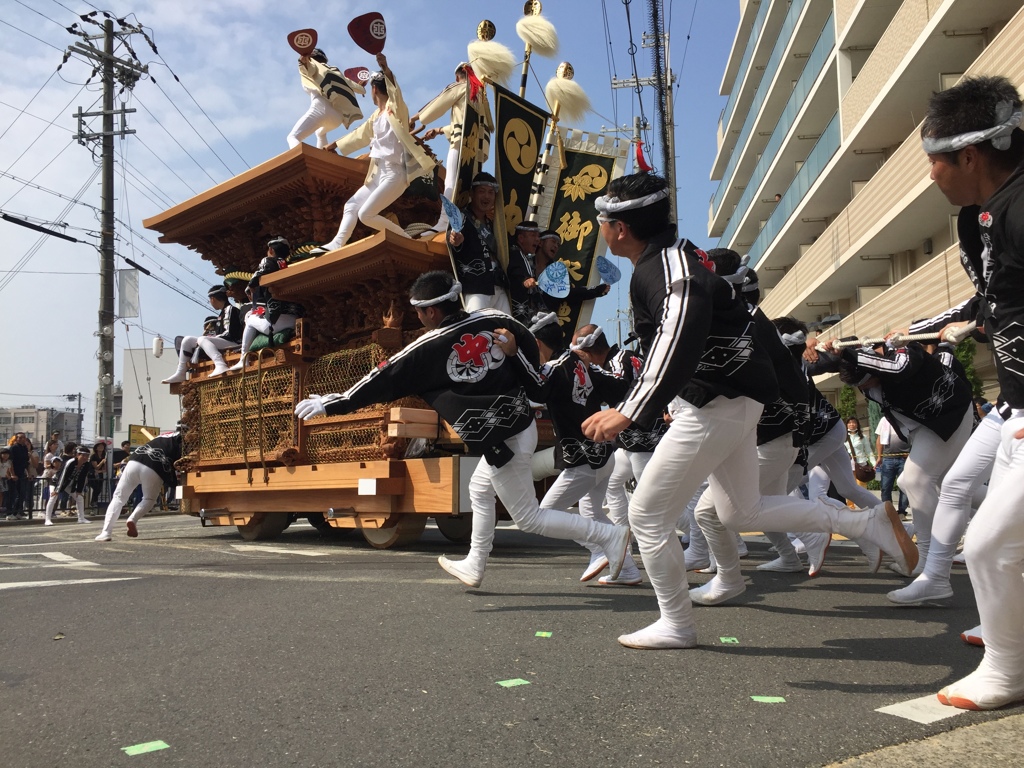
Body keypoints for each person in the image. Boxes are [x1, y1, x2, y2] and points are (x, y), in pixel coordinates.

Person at [580, 172, 916, 650]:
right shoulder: (676, 263)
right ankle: (863, 522)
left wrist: (632, 409)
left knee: (647, 514)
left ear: (619, 227)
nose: (600, 230)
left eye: (602, 221)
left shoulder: (669, 271)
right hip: (733, 405)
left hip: (716, 408)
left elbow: (677, 337)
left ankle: (676, 623)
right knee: (741, 509)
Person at [294, 270, 631, 588]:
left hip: (503, 439)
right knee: (479, 490)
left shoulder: (431, 345)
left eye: (419, 313)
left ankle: (608, 537)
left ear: (428, 312)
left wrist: (332, 402)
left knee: (530, 518)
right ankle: (475, 562)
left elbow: (384, 377)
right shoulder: (496, 319)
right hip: (520, 425)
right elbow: (527, 343)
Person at [911, 76, 1024, 711]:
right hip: (1014, 405)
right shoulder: (988, 212)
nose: (931, 174)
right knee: (992, 533)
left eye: (934, 158)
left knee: (987, 544)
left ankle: (1009, 668)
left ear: (970, 156)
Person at [494, 315, 640, 585]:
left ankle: (600, 548)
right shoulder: (586, 364)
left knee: (546, 514)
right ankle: (628, 569)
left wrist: (514, 356)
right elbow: (620, 388)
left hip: (582, 460)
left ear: (537, 343)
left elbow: (536, 390)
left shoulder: (553, 368)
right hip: (604, 455)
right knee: (592, 512)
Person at [311, 54, 435, 254]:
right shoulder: (376, 116)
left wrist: (386, 68)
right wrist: (334, 145)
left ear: (374, 89)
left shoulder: (396, 111)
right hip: (378, 174)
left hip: (395, 174)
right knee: (351, 206)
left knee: (366, 214)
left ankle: (406, 240)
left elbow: (396, 94)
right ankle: (336, 244)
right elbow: (360, 134)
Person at [410, 61, 493, 235]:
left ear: (458, 76)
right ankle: (463, 221)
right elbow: (473, 125)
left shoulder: (461, 87)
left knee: (451, 182)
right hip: (477, 150)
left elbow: (438, 103)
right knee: (467, 186)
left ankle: (444, 222)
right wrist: (440, 131)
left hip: (461, 145)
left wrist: (415, 118)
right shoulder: (481, 97)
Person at [228, 238, 304, 373]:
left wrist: (250, 285)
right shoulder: (289, 264)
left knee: (249, 317)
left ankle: (243, 359)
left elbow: (264, 269)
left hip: (277, 322)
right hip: (295, 319)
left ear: (271, 250)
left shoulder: (269, 261)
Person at [96, 429, 182, 542]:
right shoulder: (182, 440)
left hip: (135, 459)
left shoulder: (163, 435)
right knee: (149, 499)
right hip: (155, 464)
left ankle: (106, 532)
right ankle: (133, 518)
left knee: (118, 497)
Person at [447, 172, 510, 313]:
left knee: (506, 328)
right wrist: (455, 240)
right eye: (482, 191)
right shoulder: (462, 217)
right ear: (471, 193)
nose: (487, 196)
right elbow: (452, 237)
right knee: (476, 327)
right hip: (476, 284)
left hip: (497, 284)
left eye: (491, 193)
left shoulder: (493, 224)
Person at [287, 47, 364, 150]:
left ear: (311, 58)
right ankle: (322, 157)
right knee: (320, 133)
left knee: (293, 136)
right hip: (338, 117)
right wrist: (361, 88)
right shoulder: (335, 71)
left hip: (321, 108)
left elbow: (309, 69)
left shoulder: (313, 65)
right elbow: (356, 87)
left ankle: (303, 163)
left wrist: (302, 62)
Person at [163, 284, 238, 383]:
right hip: (225, 342)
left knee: (203, 339)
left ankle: (220, 365)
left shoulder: (229, 309)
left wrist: (206, 341)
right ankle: (180, 372)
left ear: (212, 299)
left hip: (234, 343)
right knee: (187, 340)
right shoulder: (222, 313)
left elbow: (229, 333)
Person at [44, 446, 93, 525]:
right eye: (83, 455)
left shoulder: (86, 464)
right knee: (53, 497)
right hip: (57, 482)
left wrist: (79, 490)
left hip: (69, 484)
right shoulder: (70, 462)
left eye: (87, 455)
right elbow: (62, 476)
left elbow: (82, 478)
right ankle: (47, 519)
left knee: (79, 498)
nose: (85, 457)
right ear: (77, 455)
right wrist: (57, 490)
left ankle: (81, 518)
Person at [506, 220, 542, 323]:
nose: (537, 239)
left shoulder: (524, 256)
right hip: (515, 308)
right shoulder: (516, 253)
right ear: (521, 238)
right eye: (533, 235)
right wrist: (525, 280)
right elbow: (515, 270)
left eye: (538, 236)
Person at [874, 416, 910, 517]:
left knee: (904, 486)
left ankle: (902, 511)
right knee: (885, 486)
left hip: (905, 458)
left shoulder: (905, 418)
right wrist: (879, 457)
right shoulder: (884, 420)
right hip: (888, 458)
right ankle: (888, 511)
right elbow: (879, 439)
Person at [844, 417, 876, 486]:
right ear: (846, 425)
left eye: (854, 422)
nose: (852, 424)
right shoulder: (843, 437)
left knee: (861, 485)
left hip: (860, 464)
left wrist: (874, 463)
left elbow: (868, 451)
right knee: (849, 486)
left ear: (857, 424)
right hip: (847, 464)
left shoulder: (863, 437)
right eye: (849, 423)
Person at [89, 442, 109, 510]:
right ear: (96, 448)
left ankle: (95, 501)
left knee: (99, 488)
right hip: (93, 474)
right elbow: (96, 467)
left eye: (102, 447)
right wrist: (102, 461)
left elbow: (104, 468)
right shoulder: (94, 456)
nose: (101, 448)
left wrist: (104, 463)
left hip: (100, 474)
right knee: (96, 488)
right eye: (100, 446)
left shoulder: (103, 456)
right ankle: (93, 502)